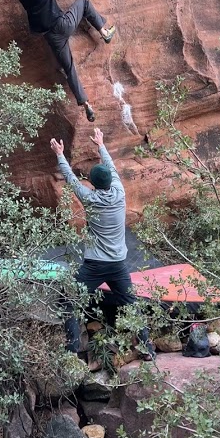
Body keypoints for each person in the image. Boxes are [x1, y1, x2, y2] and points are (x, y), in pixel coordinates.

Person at [49, 128, 155, 361]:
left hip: (95, 264)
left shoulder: (90, 198)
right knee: (130, 303)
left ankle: (72, 350)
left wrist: (60, 154)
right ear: (109, 180)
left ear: (94, 184)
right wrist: (101, 145)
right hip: (118, 263)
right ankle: (148, 349)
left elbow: (71, 180)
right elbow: (112, 168)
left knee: (68, 301)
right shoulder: (119, 192)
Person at [13, 0, 116, 122]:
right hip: (63, 24)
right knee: (84, 1)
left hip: (51, 37)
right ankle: (104, 32)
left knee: (69, 69)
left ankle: (84, 102)